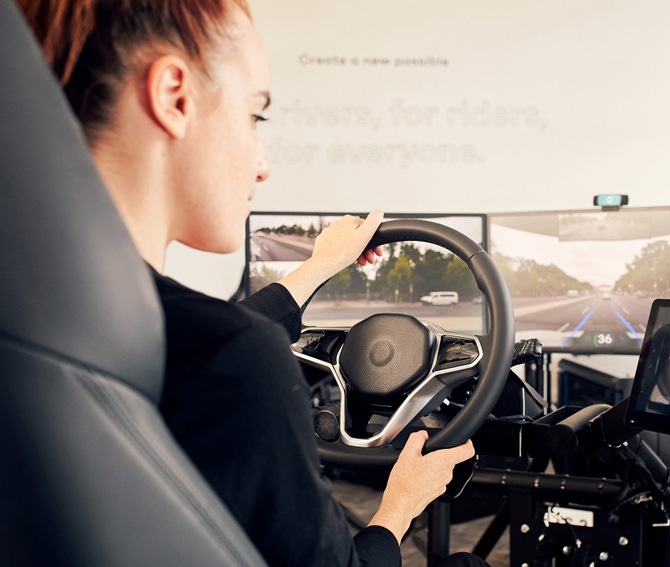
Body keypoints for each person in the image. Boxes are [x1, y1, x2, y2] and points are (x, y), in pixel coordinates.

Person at [16, 0, 490, 565]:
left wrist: (317, 266)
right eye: (254, 116)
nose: (263, 164)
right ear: (175, 97)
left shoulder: (55, 325)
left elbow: (197, 346)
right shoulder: (234, 362)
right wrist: (398, 510)